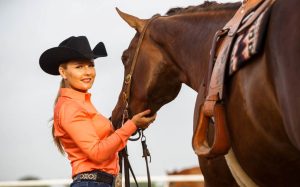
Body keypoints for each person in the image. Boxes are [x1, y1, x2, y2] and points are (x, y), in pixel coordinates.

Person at [39, 36, 156, 187]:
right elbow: (97, 153)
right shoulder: (70, 108)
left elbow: (105, 143)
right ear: (63, 72)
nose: (88, 72)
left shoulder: (81, 104)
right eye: (79, 67)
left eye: (90, 65)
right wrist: (132, 125)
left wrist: (130, 123)